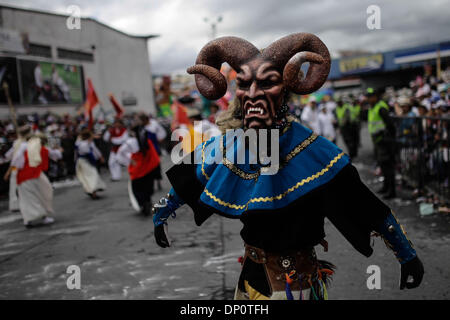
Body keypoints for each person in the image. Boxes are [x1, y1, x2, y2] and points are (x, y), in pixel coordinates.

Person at [151, 33, 424, 300]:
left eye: (267, 83)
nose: (254, 94)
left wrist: (406, 255)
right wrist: (162, 213)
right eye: (245, 85)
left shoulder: (314, 151)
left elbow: (365, 205)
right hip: (250, 277)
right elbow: (192, 176)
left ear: (285, 89)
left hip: (294, 286)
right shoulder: (230, 145)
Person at [11, 127, 62, 228]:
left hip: (23, 176)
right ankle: (43, 216)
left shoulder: (21, 145)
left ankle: (28, 219)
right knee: (42, 194)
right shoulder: (38, 147)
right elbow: (56, 155)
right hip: (35, 174)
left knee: (26, 198)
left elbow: (16, 162)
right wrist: (58, 149)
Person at [117, 115, 161, 216]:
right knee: (147, 187)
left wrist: (129, 161)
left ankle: (143, 204)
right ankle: (147, 201)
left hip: (138, 169)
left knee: (137, 188)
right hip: (148, 168)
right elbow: (153, 156)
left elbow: (120, 153)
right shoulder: (146, 141)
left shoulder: (130, 142)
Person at [366, 88, 397, 199]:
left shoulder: (381, 108)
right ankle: (386, 186)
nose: (369, 99)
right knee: (383, 166)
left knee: (388, 167)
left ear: (376, 96)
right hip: (378, 142)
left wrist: (389, 139)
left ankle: (391, 191)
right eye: (368, 96)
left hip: (384, 142)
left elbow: (391, 126)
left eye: (371, 96)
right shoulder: (372, 108)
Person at [75, 128, 106, 199]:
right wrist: (94, 162)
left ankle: (93, 190)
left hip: (87, 161)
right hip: (84, 162)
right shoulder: (83, 144)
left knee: (92, 175)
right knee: (91, 175)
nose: (93, 137)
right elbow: (89, 155)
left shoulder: (89, 143)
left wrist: (100, 157)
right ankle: (92, 191)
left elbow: (95, 150)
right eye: (91, 136)